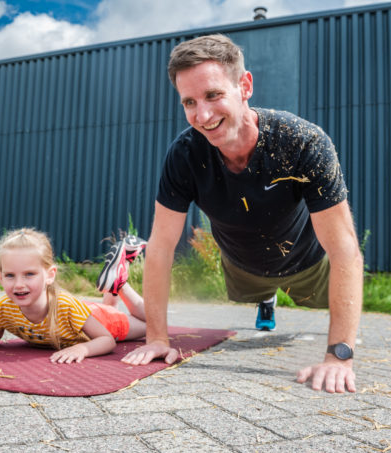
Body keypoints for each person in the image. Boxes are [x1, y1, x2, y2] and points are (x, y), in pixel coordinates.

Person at [121, 34, 364, 394]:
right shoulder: (184, 155)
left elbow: (345, 251)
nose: (202, 115)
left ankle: (276, 296)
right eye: (189, 102)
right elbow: (160, 248)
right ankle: (266, 298)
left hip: (307, 263)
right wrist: (157, 337)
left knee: (336, 301)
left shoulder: (302, 142)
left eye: (213, 95)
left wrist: (340, 356)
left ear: (245, 86)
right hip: (242, 265)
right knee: (255, 289)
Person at [0, 229, 148, 363]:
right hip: (84, 314)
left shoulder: (65, 306)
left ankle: (120, 284)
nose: (18, 284)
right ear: (0, 277)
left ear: (50, 275)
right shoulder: (3, 307)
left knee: (152, 324)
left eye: (29, 274)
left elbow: (107, 340)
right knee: (110, 309)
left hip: (103, 321)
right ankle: (115, 282)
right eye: (10, 275)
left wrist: (83, 349)